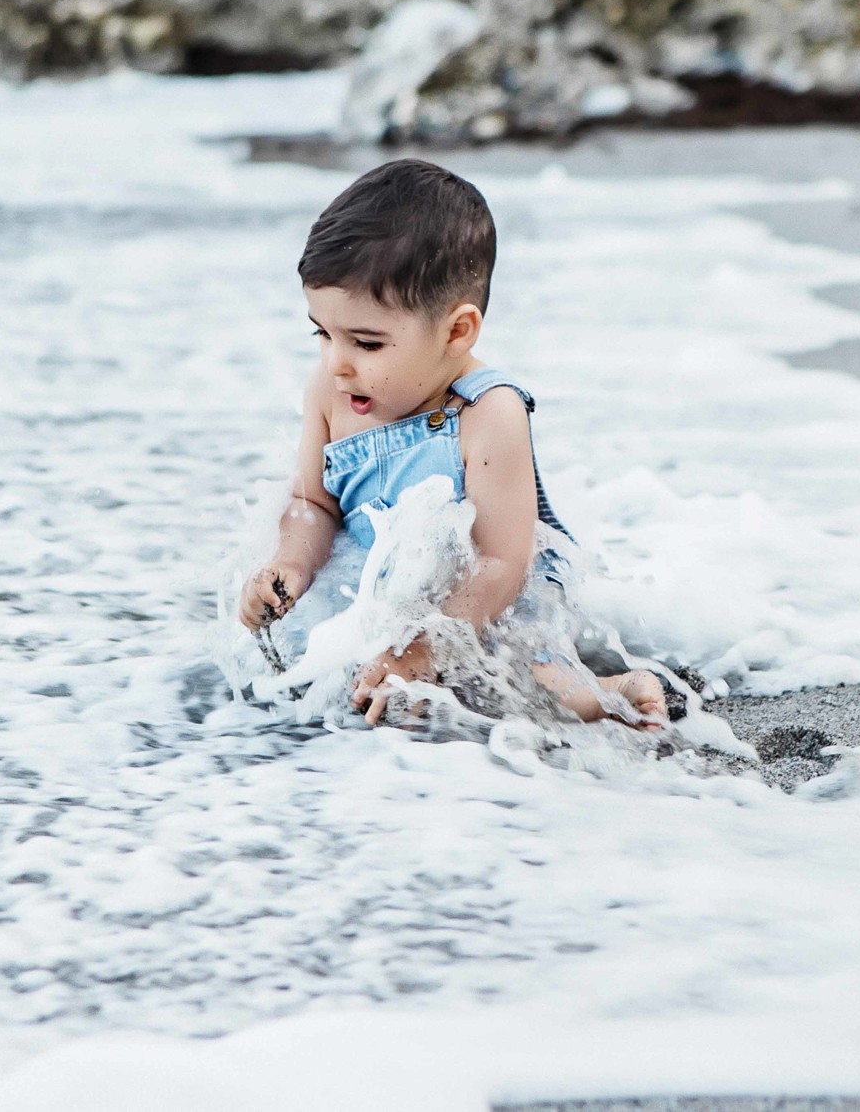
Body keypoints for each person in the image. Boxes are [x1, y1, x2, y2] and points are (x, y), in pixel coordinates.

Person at [237, 158, 671, 730]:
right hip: (388, 586)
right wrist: (289, 562)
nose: (336, 364)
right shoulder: (330, 393)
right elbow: (314, 503)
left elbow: (500, 560)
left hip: (497, 596)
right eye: (322, 333)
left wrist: (424, 647)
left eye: (366, 343)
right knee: (315, 676)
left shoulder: (490, 411)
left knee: (534, 698)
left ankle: (618, 687)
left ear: (457, 331)